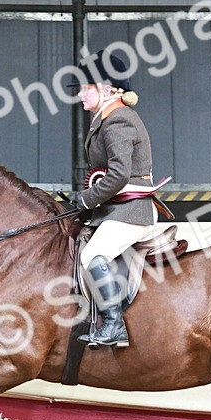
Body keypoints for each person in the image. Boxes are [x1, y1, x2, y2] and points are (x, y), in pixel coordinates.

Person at [67, 52, 164, 349]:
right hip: (117, 210)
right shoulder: (105, 120)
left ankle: (113, 325)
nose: (81, 94)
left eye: (86, 87)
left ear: (107, 90)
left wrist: (85, 200)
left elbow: (119, 175)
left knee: (91, 256)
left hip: (132, 212)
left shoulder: (118, 120)